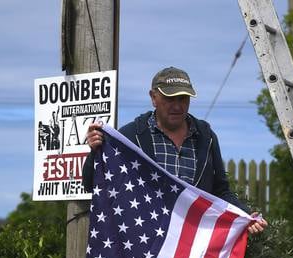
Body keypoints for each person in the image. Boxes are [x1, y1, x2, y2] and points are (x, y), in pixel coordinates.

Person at [82, 66, 267, 235]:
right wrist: (95, 150)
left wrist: (245, 215)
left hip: (192, 245)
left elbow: (220, 190)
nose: (177, 106)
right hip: (145, 243)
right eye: (170, 98)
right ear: (153, 98)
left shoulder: (206, 137)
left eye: (183, 98)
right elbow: (94, 184)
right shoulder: (131, 136)